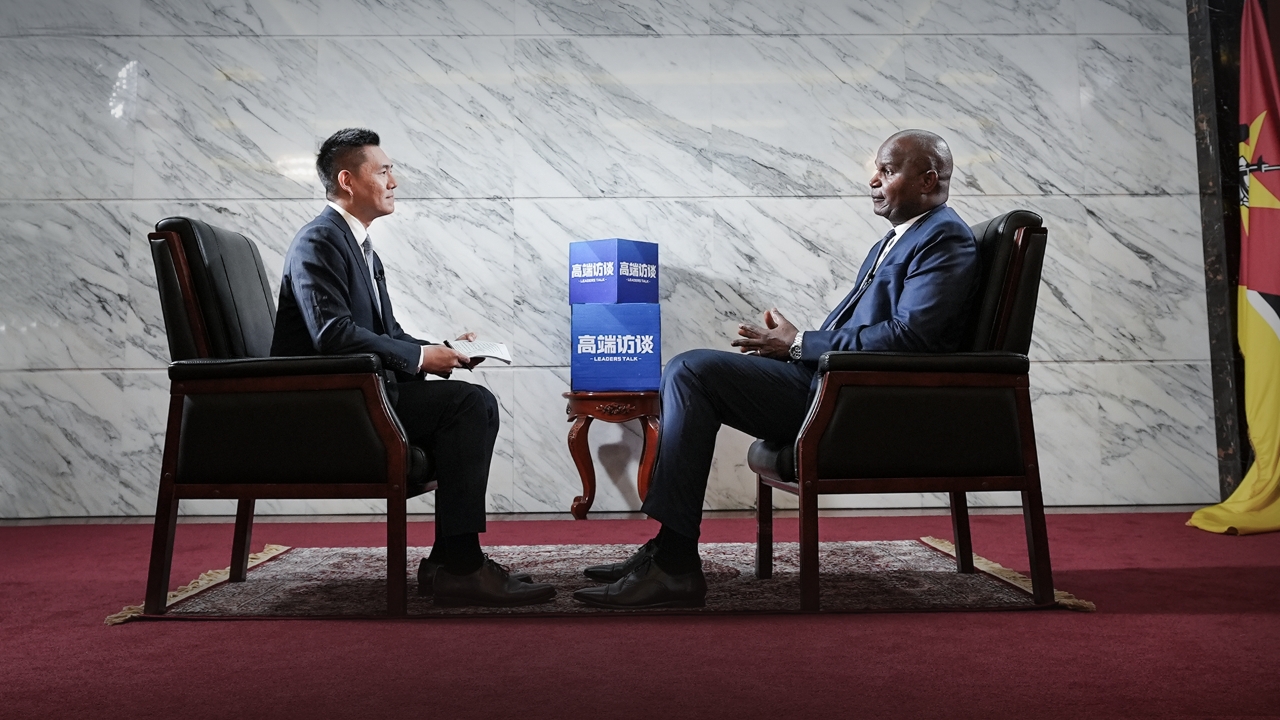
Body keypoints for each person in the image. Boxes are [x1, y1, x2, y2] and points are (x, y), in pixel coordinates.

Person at [573, 130, 980, 609]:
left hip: (860, 402)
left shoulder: (944, 237)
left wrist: (799, 343)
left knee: (692, 372)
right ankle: (669, 549)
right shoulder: (895, 241)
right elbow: (872, 332)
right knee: (689, 373)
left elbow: (911, 339)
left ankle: (674, 563)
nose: (873, 180)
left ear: (928, 179)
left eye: (887, 171)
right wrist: (788, 349)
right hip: (833, 384)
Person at [271, 128, 554, 607]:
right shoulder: (319, 241)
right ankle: (460, 566)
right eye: (383, 171)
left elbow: (389, 333)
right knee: (470, 405)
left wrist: (442, 350)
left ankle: (451, 561)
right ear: (348, 180)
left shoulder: (357, 245)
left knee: (470, 403)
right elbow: (332, 335)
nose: (394, 181)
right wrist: (422, 359)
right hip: (332, 405)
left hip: (362, 392)